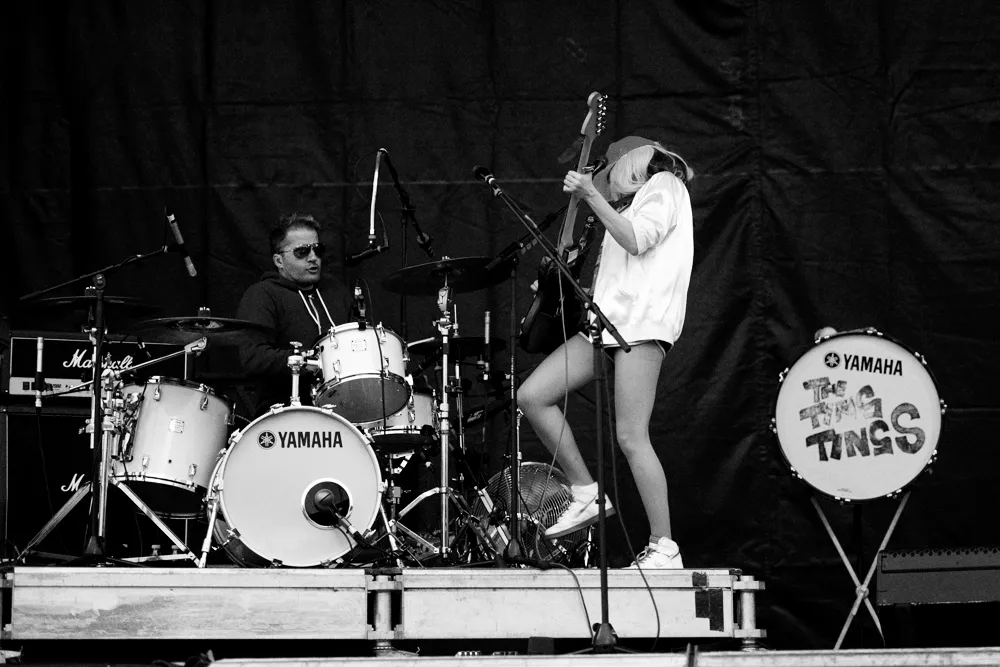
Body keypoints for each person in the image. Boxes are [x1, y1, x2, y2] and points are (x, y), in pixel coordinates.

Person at [517, 137, 695, 569]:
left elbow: (638, 240)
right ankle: (585, 492)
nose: (606, 186)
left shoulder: (665, 186)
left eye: (608, 176)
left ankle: (664, 545)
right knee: (532, 396)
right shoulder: (626, 209)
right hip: (605, 325)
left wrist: (590, 196)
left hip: (640, 326)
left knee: (631, 436)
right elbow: (619, 278)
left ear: (628, 164)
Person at [236, 213, 353, 417]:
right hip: (284, 410)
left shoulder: (337, 292)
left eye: (317, 249)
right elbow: (253, 357)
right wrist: (306, 360)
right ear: (279, 260)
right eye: (302, 251)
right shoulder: (263, 294)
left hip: (346, 405)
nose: (313, 257)